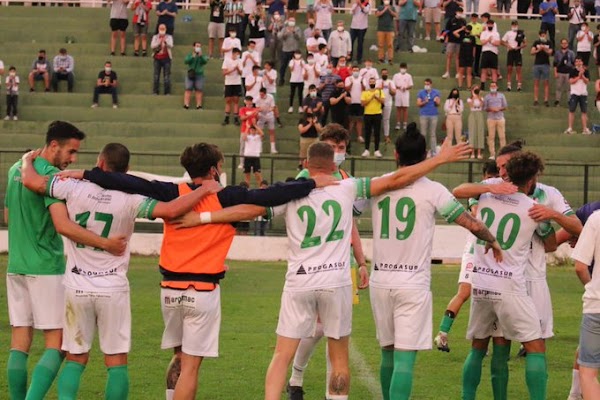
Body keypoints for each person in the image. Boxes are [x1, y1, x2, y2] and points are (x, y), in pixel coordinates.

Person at [184, 138, 472, 400]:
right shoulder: (348, 187)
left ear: (306, 165)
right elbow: (398, 178)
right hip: (336, 280)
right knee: (339, 359)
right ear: (335, 164)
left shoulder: (290, 192)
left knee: (282, 354)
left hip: (299, 281)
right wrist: (440, 159)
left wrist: (204, 218)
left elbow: (250, 210)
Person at [64, 142, 336, 400]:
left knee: (178, 357)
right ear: (213, 170)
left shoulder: (174, 192)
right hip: (202, 290)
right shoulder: (228, 197)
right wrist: (312, 182)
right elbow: (274, 193)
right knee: (192, 367)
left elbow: (128, 181)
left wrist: (87, 174)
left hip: (170, 290)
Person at [19, 144, 221, 400]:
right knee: (116, 363)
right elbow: (172, 210)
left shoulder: (72, 187)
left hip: (77, 285)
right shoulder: (131, 199)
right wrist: (204, 189)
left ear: (100, 164)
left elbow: (31, 181)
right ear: (125, 170)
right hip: (112, 288)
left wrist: (27, 160)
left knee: (75, 358)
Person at [370, 124, 501, 400]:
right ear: (426, 154)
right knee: (405, 359)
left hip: (380, 281)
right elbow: (471, 224)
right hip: (412, 283)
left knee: (387, 353)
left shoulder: (379, 183)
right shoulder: (434, 190)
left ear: (395, 154)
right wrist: (492, 239)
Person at [4, 121, 126, 400]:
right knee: (57, 345)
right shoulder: (51, 179)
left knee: (19, 343)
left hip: (16, 267)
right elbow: (63, 225)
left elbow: (9, 217)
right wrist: (105, 243)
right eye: (70, 152)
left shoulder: (15, 168)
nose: (73, 159)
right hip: (46, 267)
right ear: (54, 145)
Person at [461, 151, 554, 400]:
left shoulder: (487, 194)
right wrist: (552, 216)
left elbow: (458, 191)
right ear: (532, 180)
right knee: (536, 346)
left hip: (480, 283)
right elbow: (552, 243)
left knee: (478, 347)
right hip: (510, 286)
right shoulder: (534, 209)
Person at [572, 211, 600, 400]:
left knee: (588, 372)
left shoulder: (596, 218)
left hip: (596, 305)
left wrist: (592, 288)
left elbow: (580, 266)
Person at [565, 56, 592, 135]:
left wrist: (582, 75)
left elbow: (587, 82)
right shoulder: (572, 71)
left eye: (580, 61)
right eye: (577, 61)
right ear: (575, 63)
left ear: (582, 62)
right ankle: (570, 128)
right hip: (574, 94)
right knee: (571, 110)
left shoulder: (586, 71)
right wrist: (579, 76)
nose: (578, 63)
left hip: (583, 94)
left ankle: (585, 129)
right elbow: (571, 81)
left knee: (584, 111)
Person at [361, 76, 385, 158]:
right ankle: (366, 150)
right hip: (367, 114)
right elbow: (363, 103)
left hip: (377, 114)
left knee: (377, 133)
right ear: (369, 83)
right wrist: (371, 97)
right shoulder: (365, 92)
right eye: (370, 82)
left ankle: (376, 150)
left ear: (375, 83)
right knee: (367, 133)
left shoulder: (380, 91)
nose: (372, 83)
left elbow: (383, 101)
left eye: (373, 81)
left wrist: (376, 97)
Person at [417, 78, 441, 156]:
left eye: (428, 84)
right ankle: (422, 151)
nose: (426, 86)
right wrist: (425, 101)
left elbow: (438, 104)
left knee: (432, 134)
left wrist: (436, 102)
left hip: (433, 115)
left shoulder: (436, 92)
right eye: (425, 84)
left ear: (431, 84)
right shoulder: (421, 92)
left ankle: (433, 151)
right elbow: (418, 104)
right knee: (423, 134)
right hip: (423, 115)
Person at [483, 81, 507, 159]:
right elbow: (485, 108)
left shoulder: (501, 95)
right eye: (491, 86)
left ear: (497, 87)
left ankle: (503, 154)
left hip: (500, 118)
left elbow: (505, 106)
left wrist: (498, 109)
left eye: (494, 86)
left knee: (502, 137)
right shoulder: (487, 97)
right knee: (491, 137)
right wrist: (491, 109)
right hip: (491, 119)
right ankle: (492, 154)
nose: (493, 88)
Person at [502, 20, 526, 92]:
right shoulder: (508, 33)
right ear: (511, 25)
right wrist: (508, 46)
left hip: (518, 52)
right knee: (509, 68)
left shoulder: (521, 33)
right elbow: (502, 41)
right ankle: (509, 86)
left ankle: (519, 86)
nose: (514, 26)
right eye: (513, 25)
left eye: (516, 25)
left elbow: (525, 44)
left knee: (518, 69)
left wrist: (519, 47)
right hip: (510, 52)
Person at [277, 17, 302, 86]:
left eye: (293, 21)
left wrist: (294, 32)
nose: (292, 22)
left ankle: (295, 80)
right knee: (283, 66)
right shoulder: (284, 29)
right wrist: (286, 33)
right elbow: (280, 37)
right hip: (285, 50)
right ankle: (281, 79)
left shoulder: (297, 28)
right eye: (290, 21)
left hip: (294, 50)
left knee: (295, 66)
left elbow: (299, 37)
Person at [184, 42, 209, 110]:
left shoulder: (202, 55)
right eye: (197, 46)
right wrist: (192, 57)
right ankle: (186, 105)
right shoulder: (190, 55)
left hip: (199, 74)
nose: (198, 48)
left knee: (199, 90)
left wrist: (201, 56)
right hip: (191, 74)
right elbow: (186, 61)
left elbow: (205, 61)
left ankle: (199, 105)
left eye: (199, 46)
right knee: (188, 89)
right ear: (194, 47)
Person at [531, 30, 553, 107]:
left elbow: (550, 52)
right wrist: (539, 49)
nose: (543, 36)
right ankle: (536, 99)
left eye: (544, 35)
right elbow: (532, 52)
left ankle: (546, 100)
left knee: (546, 82)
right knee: (536, 82)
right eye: (542, 35)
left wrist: (544, 49)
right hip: (537, 64)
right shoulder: (536, 42)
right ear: (539, 35)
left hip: (546, 64)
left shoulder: (549, 42)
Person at [222, 47, 243, 126]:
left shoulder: (240, 61)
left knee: (236, 100)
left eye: (239, 54)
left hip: (237, 83)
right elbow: (224, 73)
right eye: (236, 54)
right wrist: (232, 69)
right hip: (228, 83)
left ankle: (236, 118)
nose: (237, 55)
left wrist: (237, 68)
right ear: (233, 53)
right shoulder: (227, 60)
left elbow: (241, 73)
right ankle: (226, 118)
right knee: (228, 100)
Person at [443, 8, 466, 79]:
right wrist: (446, 39)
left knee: (457, 57)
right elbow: (447, 30)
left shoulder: (463, 21)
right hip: (451, 41)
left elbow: (464, 31)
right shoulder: (451, 20)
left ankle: (458, 73)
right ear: (456, 12)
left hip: (459, 41)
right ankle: (447, 72)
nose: (459, 13)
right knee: (449, 56)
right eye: (458, 12)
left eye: (461, 12)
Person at [255, 87, 279, 153]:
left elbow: (273, 107)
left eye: (262, 94)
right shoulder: (257, 98)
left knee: (271, 132)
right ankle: (259, 148)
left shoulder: (270, 97)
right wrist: (261, 109)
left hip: (269, 115)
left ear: (265, 94)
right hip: (261, 115)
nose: (261, 96)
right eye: (260, 94)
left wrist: (268, 109)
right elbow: (257, 108)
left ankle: (273, 148)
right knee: (260, 132)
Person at [151, 24, 173, 96]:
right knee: (156, 75)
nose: (162, 29)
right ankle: (155, 91)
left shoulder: (169, 37)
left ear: (166, 29)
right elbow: (152, 46)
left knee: (166, 76)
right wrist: (159, 42)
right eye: (161, 28)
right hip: (157, 58)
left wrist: (165, 42)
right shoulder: (155, 37)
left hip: (166, 58)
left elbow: (171, 45)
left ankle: (167, 92)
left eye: (163, 28)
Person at [479, 19, 500, 91]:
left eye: (491, 24)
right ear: (487, 25)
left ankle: (494, 86)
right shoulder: (484, 33)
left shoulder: (496, 34)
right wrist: (488, 40)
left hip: (493, 52)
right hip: (485, 52)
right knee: (484, 70)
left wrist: (491, 42)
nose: (490, 25)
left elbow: (498, 43)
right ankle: (482, 86)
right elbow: (482, 42)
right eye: (489, 24)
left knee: (494, 70)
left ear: (493, 25)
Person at [554, 38, 576, 107]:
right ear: (561, 44)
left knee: (569, 88)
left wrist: (573, 73)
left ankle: (570, 101)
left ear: (567, 44)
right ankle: (557, 101)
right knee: (559, 87)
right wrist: (555, 72)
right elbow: (555, 63)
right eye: (563, 43)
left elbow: (574, 63)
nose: (564, 44)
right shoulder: (557, 53)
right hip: (560, 72)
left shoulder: (571, 53)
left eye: (565, 43)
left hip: (568, 73)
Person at [238, 95, 259, 168]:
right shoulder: (242, 109)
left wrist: (256, 115)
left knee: (252, 148)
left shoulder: (254, 109)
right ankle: (242, 163)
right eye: (248, 102)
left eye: (250, 102)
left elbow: (257, 119)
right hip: (244, 130)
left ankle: (251, 164)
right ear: (245, 102)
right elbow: (242, 118)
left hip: (252, 131)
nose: (249, 103)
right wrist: (251, 115)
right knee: (243, 147)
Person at [346, 65, 365, 143]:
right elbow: (347, 89)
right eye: (354, 70)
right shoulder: (348, 78)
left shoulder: (362, 79)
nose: (356, 72)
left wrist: (361, 83)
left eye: (357, 70)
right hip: (351, 102)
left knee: (359, 120)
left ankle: (359, 136)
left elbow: (364, 89)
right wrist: (351, 82)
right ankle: (348, 136)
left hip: (360, 102)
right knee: (351, 120)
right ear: (352, 71)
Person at [393, 62, 413, 131]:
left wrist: (406, 88)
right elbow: (393, 85)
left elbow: (411, 85)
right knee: (398, 108)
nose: (403, 69)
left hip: (405, 93)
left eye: (404, 68)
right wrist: (398, 87)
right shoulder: (396, 75)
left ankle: (405, 124)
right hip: (398, 93)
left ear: (406, 69)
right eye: (402, 68)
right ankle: (398, 123)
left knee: (405, 109)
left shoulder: (409, 76)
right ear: (399, 68)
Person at [467, 85, 485, 159]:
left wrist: (479, 97)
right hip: (472, 114)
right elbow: (471, 106)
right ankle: (472, 153)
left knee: (479, 132)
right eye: (475, 89)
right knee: (472, 132)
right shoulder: (469, 99)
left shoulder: (481, 98)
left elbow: (481, 105)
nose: (476, 90)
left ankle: (479, 153)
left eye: (477, 89)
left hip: (479, 114)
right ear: (472, 90)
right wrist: (474, 97)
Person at [456, 24, 476, 89]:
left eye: (469, 29)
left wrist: (473, 56)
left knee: (469, 72)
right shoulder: (462, 36)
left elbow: (474, 47)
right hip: (462, 56)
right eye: (467, 29)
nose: (467, 31)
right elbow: (454, 33)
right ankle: (460, 86)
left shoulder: (472, 38)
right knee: (461, 71)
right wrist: (461, 29)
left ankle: (469, 86)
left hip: (469, 56)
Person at [379, 69, 395, 144]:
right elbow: (373, 91)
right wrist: (380, 88)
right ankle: (376, 136)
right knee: (377, 120)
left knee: (386, 120)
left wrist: (390, 89)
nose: (384, 74)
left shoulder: (391, 82)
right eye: (383, 73)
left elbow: (394, 93)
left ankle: (386, 136)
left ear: (388, 74)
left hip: (388, 103)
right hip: (378, 103)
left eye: (386, 73)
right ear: (381, 74)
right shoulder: (377, 81)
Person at [468, 13, 483, 78]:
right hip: (470, 44)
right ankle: (470, 72)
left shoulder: (480, 26)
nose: (474, 19)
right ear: (471, 18)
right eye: (473, 18)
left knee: (477, 58)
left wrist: (479, 35)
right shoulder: (468, 25)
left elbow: (482, 34)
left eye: (475, 18)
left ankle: (476, 72)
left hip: (478, 43)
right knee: (471, 58)